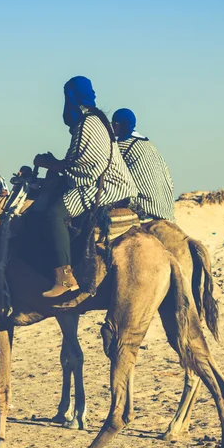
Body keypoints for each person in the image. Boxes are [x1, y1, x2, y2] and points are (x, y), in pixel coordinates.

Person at [33, 76, 138, 298]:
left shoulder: (87, 123)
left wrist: (45, 163)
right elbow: (80, 159)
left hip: (105, 186)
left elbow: (78, 166)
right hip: (113, 182)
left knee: (54, 215)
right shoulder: (97, 120)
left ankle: (64, 277)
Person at [112, 108, 175, 222]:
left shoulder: (123, 146)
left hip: (147, 209)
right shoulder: (148, 143)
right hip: (167, 210)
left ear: (118, 125)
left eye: (113, 124)